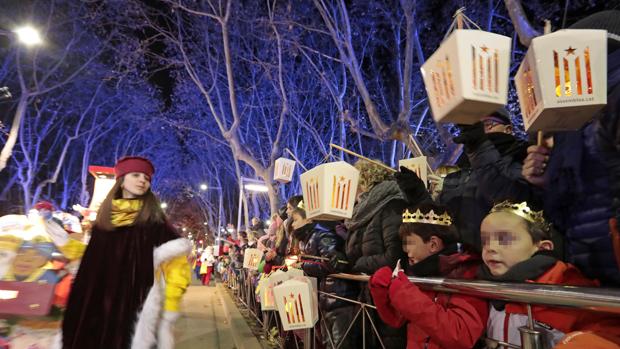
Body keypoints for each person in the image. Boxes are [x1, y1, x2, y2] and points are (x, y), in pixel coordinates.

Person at [521, 11, 620, 286]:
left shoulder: (612, 99)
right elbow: (573, 204)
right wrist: (544, 183)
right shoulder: (573, 119)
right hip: (589, 266)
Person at [59, 156, 191, 349]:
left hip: (137, 304)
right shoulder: (104, 221)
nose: (142, 180)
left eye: (146, 178)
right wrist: (66, 245)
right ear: (121, 180)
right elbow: (91, 262)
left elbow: (177, 267)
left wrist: (171, 304)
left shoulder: (155, 222)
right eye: (136, 175)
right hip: (98, 302)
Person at [478, 200, 620, 348]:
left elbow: (608, 330)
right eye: (484, 241)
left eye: (505, 239)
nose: (490, 248)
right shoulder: (480, 286)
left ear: (542, 248)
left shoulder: (566, 286)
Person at [369, 203, 487, 349]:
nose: (406, 250)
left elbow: (461, 334)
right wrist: (382, 290)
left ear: (433, 244)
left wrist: (403, 292)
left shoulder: (466, 274)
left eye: (409, 242)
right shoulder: (420, 270)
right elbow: (397, 319)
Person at [345, 160, 428, 349]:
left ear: (363, 181)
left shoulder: (391, 205)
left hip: (390, 298)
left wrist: (359, 263)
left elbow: (395, 257)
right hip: (371, 296)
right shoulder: (365, 211)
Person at [439, 108, 531, 252]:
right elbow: (442, 216)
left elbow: (508, 197)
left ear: (508, 129)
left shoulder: (523, 158)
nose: (481, 130)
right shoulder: (460, 169)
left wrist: (480, 148)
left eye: (488, 124)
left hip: (502, 253)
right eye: (477, 126)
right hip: (463, 259)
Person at [289, 207, 359, 348]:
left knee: (339, 342)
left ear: (308, 219)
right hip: (327, 297)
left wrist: (302, 265)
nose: (292, 224)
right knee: (329, 342)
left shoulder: (322, 235)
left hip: (339, 297)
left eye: (295, 219)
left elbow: (331, 263)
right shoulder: (308, 238)